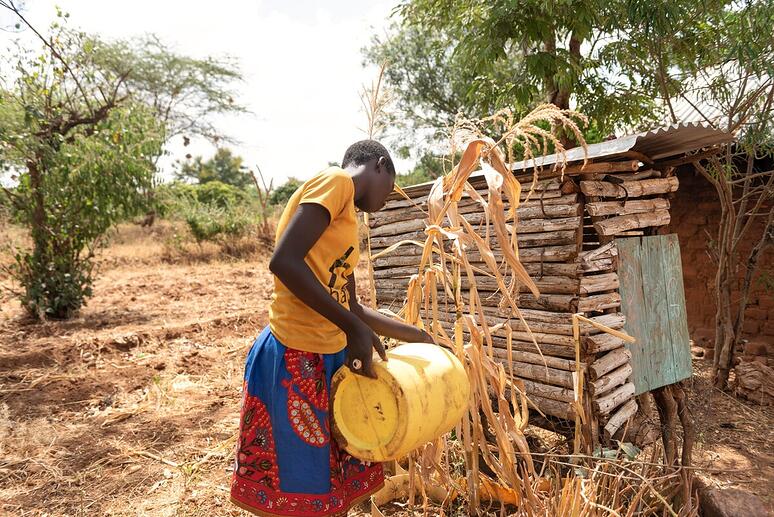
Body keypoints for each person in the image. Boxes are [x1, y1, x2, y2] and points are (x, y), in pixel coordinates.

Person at [231, 140, 434, 516]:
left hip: (327, 357)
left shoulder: (346, 224)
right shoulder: (337, 181)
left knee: (328, 490)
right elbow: (284, 261)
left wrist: (418, 337)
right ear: (378, 165)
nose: (388, 198)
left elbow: (351, 306)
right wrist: (353, 329)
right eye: (391, 186)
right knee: (300, 489)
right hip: (295, 355)